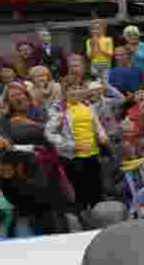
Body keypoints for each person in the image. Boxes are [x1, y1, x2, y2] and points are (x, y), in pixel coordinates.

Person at [45, 82, 109, 217]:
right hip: (73, 157)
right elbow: (49, 133)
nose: (75, 92)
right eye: (71, 89)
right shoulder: (58, 108)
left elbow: (97, 125)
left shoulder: (87, 105)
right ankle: (83, 220)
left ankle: (99, 218)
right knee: (80, 192)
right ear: (65, 92)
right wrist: (71, 145)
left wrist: (102, 136)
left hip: (93, 153)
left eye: (78, 88)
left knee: (96, 189)